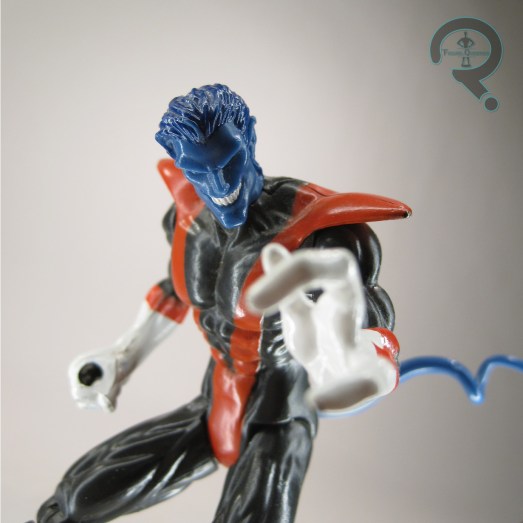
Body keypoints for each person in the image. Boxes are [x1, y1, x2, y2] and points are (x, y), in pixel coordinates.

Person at [35, 84, 410, 523]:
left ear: (249, 138)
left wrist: (363, 355)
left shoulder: (319, 233)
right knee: (76, 501)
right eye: (199, 171)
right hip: (217, 395)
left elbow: (364, 307)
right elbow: (175, 290)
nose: (221, 186)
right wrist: (122, 355)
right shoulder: (188, 219)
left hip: (280, 410)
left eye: (229, 163)